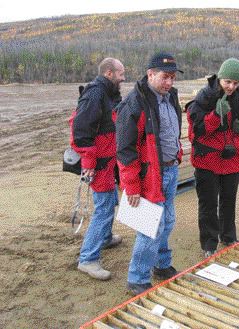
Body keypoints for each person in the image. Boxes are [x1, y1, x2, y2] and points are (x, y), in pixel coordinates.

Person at [116, 52, 183, 295]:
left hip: (170, 169)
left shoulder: (170, 96)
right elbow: (124, 150)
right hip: (149, 174)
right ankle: (137, 278)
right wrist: (131, 186)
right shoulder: (135, 103)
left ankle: (161, 265)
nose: (169, 82)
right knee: (150, 225)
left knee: (168, 220)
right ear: (150, 74)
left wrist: (177, 153)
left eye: (173, 78)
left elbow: (171, 131)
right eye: (165, 77)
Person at [187, 58, 239, 258]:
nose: (231, 86)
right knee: (208, 203)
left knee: (228, 200)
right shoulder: (205, 96)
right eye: (227, 82)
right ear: (220, 78)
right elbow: (196, 132)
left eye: (235, 82)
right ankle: (209, 243)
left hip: (231, 158)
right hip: (208, 160)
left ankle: (228, 236)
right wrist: (216, 115)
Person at [71, 57, 125, 280]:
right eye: (121, 74)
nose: (124, 78)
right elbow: (81, 132)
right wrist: (90, 163)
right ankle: (88, 259)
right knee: (103, 208)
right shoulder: (94, 94)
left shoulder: (110, 94)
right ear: (109, 73)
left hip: (109, 160)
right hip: (99, 164)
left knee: (111, 201)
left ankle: (104, 238)